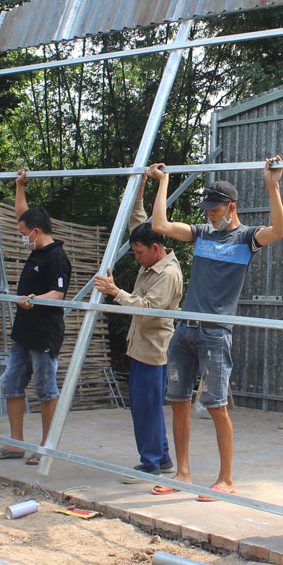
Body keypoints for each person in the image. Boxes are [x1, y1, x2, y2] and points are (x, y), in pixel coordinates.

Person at [148, 155, 283, 499]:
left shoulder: (246, 238)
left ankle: (226, 479)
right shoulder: (201, 234)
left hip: (215, 333)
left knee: (216, 405)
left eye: (215, 207)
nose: (209, 213)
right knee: (178, 401)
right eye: (207, 208)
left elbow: (280, 231)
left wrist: (273, 185)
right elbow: (161, 226)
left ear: (232, 207)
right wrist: (162, 183)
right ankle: (182, 473)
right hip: (185, 330)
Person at [93, 173, 183, 476]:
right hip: (140, 345)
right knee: (146, 407)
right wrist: (143, 184)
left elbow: (147, 311)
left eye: (139, 253)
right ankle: (160, 457)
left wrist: (116, 292)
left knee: (147, 408)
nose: (136, 258)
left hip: (153, 350)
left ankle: (153, 462)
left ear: (156, 249)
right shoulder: (150, 251)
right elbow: (138, 220)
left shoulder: (167, 274)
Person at [0, 169, 71, 465]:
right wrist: (19, 186)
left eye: (25, 233)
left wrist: (36, 300)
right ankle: (15, 444)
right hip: (23, 332)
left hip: (44, 333)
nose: (23, 236)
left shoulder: (56, 257)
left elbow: (59, 295)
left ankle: (47, 446)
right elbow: (23, 213)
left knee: (46, 389)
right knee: (12, 385)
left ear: (36, 230)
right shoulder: (36, 248)